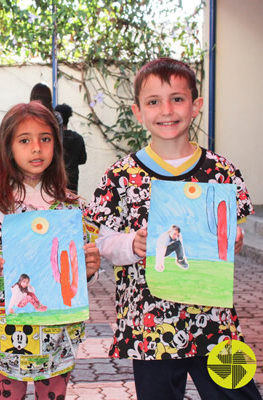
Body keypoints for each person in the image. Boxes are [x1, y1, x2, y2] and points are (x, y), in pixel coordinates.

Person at [84, 57, 261, 400]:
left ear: (196, 106)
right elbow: (103, 241)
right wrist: (131, 245)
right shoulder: (120, 176)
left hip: (214, 320)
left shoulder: (220, 171)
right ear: (138, 111)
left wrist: (233, 239)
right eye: (153, 102)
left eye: (177, 99)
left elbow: (233, 230)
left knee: (237, 394)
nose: (166, 110)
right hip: (150, 324)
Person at [0, 102, 101, 399]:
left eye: (45, 139)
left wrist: (88, 271)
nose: (36, 148)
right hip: (5, 333)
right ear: (9, 148)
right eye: (25, 140)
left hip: (56, 334)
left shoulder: (72, 209)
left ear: (57, 146)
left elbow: (81, 276)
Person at [54, 104, 87, 193]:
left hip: (55, 181)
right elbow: (82, 160)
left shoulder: (53, 139)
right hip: (72, 182)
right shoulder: (78, 138)